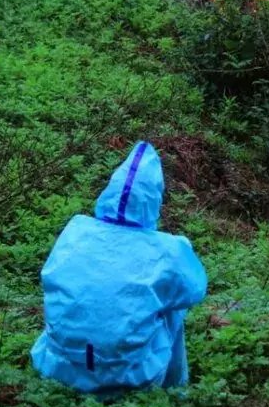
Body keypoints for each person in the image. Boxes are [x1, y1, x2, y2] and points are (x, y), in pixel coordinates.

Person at [30, 141, 207, 393]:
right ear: (154, 198)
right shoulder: (168, 249)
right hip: (130, 377)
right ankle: (174, 390)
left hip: (58, 369)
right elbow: (194, 291)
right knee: (173, 309)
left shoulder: (77, 229)